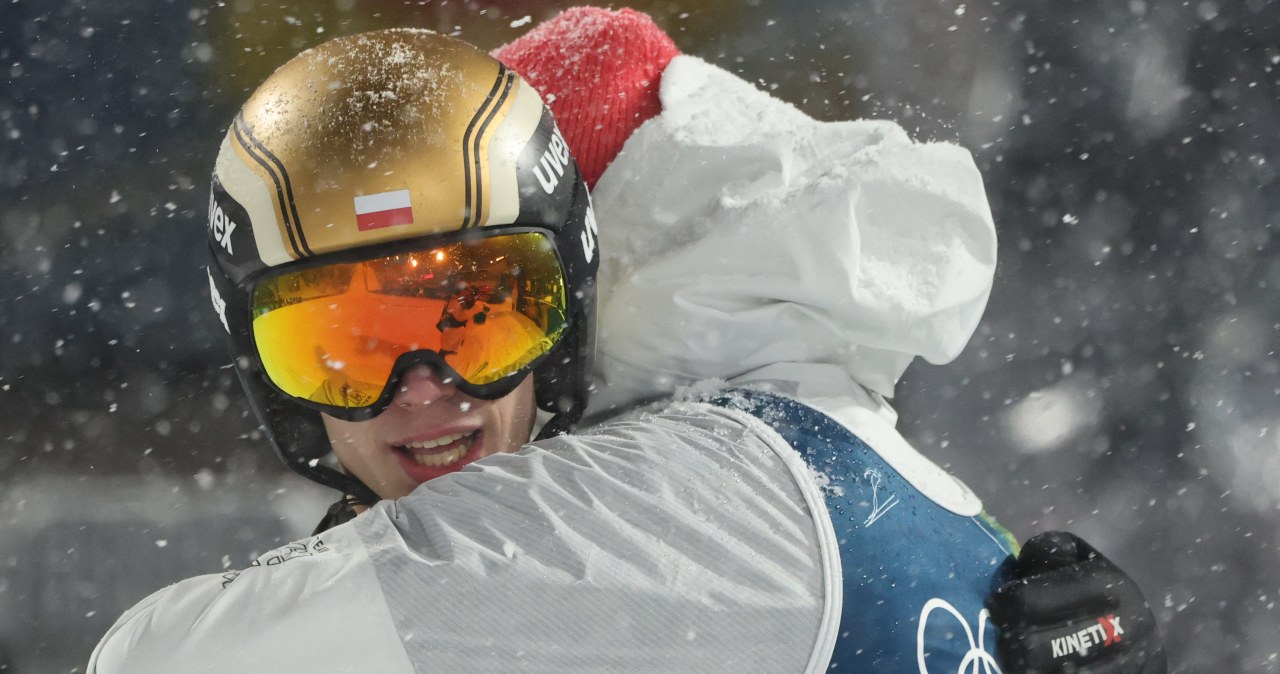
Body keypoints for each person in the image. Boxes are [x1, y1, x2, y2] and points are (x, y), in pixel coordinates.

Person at [90, 9, 1165, 673]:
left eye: (478, 311)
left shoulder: (682, 492)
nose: (424, 389)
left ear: (587, 297)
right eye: (345, 343)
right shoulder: (794, 435)